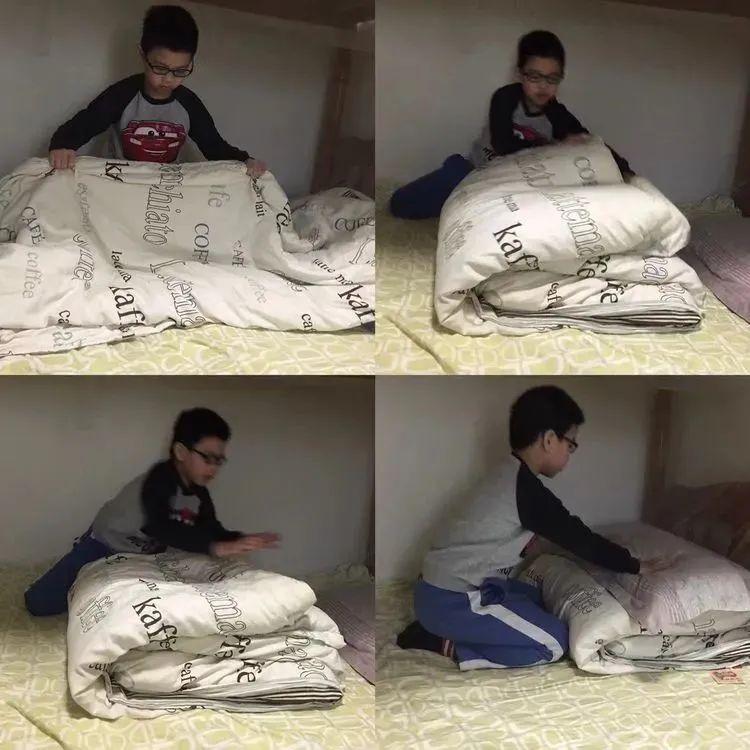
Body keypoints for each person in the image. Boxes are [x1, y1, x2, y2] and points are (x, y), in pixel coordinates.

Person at [396, 385, 668, 670]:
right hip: (451, 601)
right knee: (554, 643)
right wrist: (635, 566)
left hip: (437, 590)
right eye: (571, 445)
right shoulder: (525, 490)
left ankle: (445, 626)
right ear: (549, 440)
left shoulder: (508, 475)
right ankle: (445, 643)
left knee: (533, 597)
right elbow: (581, 539)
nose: (570, 455)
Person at [24, 407, 280, 617]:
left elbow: (210, 528)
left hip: (143, 554)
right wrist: (214, 547)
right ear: (181, 452)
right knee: (39, 603)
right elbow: (160, 527)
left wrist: (238, 539)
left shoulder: (200, 493)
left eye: (219, 460)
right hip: (106, 542)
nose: (213, 468)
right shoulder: (160, 479)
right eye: (207, 458)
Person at [390, 30, 632, 220]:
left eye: (552, 78)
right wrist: (558, 148)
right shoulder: (505, 98)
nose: (543, 86)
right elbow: (503, 144)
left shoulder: (558, 116)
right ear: (519, 74)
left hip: (512, 189)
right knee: (401, 204)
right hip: (472, 173)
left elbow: (593, 145)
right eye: (534, 76)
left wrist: (626, 171)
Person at [47, 5, 266, 177]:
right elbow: (85, 123)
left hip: (164, 188)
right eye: (160, 68)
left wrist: (245, 161)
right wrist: (62, 146)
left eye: (180, 71)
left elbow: (214, 146)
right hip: (120, 182)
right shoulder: (122, 95)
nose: (168, 79)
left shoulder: (188, 104)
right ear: (143, 56)